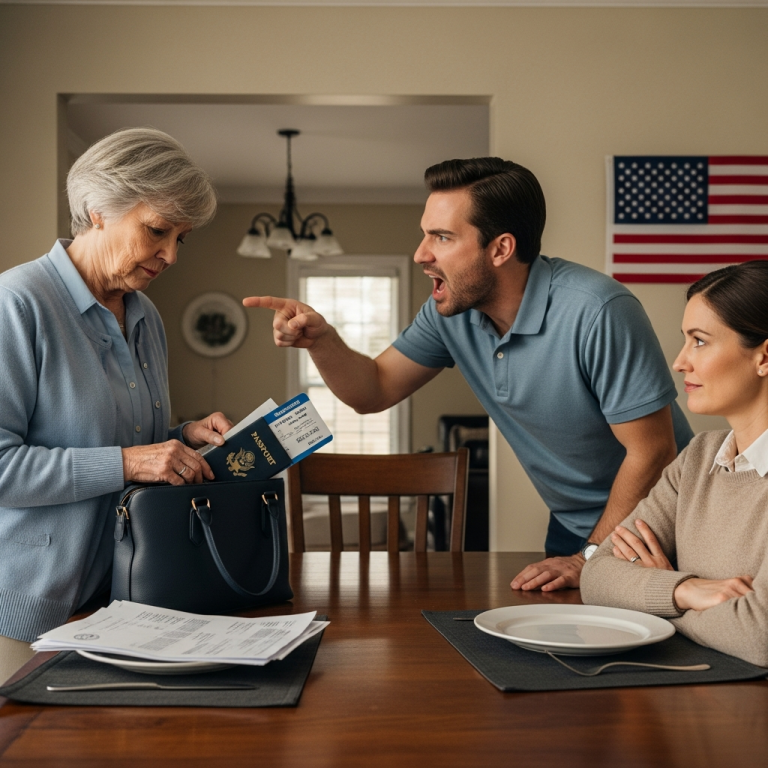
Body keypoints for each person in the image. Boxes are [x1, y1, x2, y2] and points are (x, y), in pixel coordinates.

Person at [244, 157, 692, 591]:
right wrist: (323, 341)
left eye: (441, 237)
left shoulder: (597, 311)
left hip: (664, 526)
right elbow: (372, 390)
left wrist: (591, 557)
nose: (421, 254)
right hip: (575, 528)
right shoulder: (449, 314)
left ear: (500, 248)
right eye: (425, 235)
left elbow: (652, 451)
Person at [0, 128, 233, 682]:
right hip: (27, 614)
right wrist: (130, 463)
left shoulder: (145, 315)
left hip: (125, 602)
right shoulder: (17, 304)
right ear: (97, 209)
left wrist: (184, 433)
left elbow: (123, 436)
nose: (171, 255)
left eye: (182, 238)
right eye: (157, 230)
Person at [581, 261, 768, 667]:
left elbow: (760, 636)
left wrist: (656, 598)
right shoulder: (698, 458)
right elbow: (595, 575)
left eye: (699, 341)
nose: (680, 362)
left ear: (764, 357)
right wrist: (685, 589)